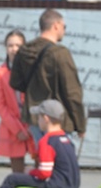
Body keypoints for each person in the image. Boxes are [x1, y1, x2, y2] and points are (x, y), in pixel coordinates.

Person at [8, 9, 87, 140]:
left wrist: (35, 90)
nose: (64, 30)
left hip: (35, 118)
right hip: (57, 120)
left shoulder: (24, 50)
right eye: (64, 26)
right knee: (60, 153)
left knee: (43, 152)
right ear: (56, 25)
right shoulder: (60, 53)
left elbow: (15, 82)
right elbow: (72, 93)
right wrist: (80, 125)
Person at [0, 29, 35, 173]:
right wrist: (17, 129)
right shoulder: (0, 74)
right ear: (6, 48)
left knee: (42, 168)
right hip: (13, 127)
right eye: (10, 45)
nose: (14, 49)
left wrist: (31, 125)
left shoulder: (33, 70)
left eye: (18, 45)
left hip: (34, 124)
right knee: (17, 171)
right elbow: (0, 105)